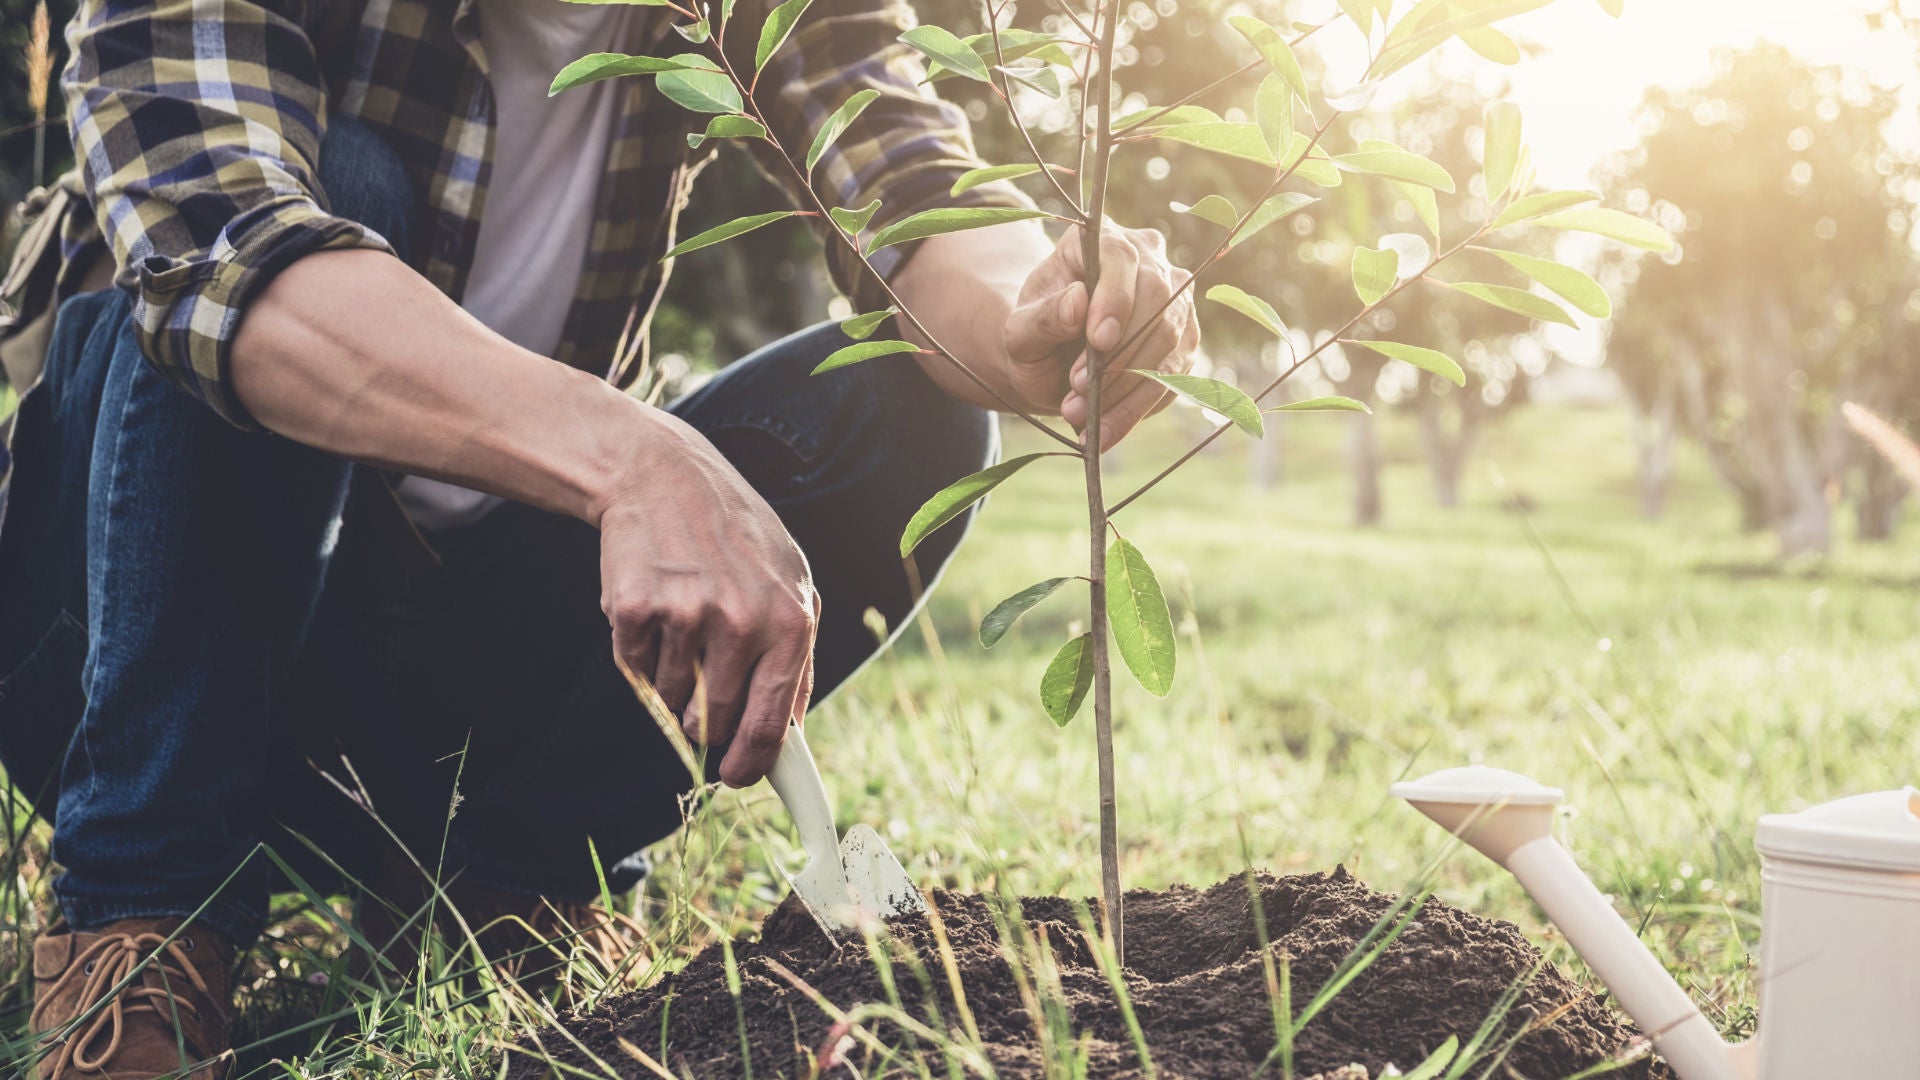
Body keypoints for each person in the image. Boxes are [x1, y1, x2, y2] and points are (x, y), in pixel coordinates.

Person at [0, 0, 1201, 1075]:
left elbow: (915, 187)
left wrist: (1041, 306)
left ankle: (508, 883)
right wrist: (632, 456)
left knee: (915, 406)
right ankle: (139, 929)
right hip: (126, 641)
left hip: (439, 683)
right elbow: (223, 257)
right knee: (340, 179)